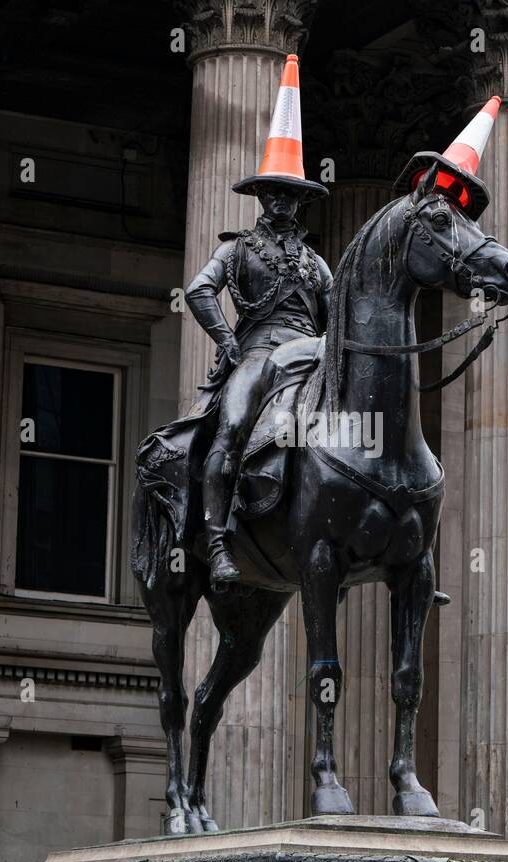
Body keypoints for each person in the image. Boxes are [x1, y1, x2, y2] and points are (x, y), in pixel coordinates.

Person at [185, 55, 331, 587]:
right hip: (257, 355)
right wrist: (227, 341)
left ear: (300, 202)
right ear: (259, 197)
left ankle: (384, 540)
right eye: (272, 192)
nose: (280, 201)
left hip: (311, 358)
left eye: (289, 194)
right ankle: (218, 538)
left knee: (367, 429)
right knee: (233, 424)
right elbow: (200, 290)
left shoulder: (316, 263)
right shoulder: (238, 249)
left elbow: (336, 322)